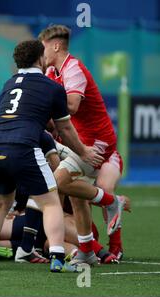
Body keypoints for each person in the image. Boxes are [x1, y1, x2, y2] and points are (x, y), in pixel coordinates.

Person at [0, 39, 104, 273]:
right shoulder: (52, 87)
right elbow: (65, 128)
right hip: (23, 146)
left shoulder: (9, 83)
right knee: (51, 202)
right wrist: (84, 152)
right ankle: (57, 258)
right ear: (40, 59)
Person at [39, 25, 129, 263]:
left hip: (97, 142)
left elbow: (71, 106)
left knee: (57, 184)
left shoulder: (73, 68)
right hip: (79, 142)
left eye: (44, 46)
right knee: (78, 198)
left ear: (56, 46)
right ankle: (88, 252)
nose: (41, 52)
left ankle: (112, 204)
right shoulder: (52, 72)